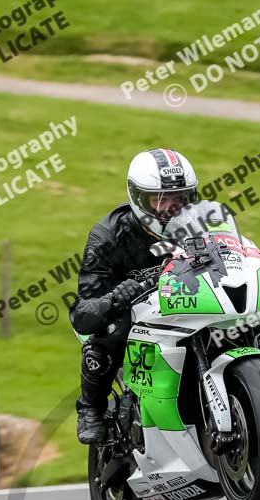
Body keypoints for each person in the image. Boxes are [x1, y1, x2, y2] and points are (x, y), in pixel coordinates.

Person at [70, 149, 199, 444]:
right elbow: (83, 312)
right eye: (161, 199)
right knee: (111, 328)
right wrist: (117, 296)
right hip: (129, 309)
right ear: (139, 198)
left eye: (179, 198)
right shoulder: (107, 237)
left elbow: (229, 251)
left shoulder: (200, 224)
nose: (170, 207)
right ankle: (90, 407)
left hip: (182, 298)